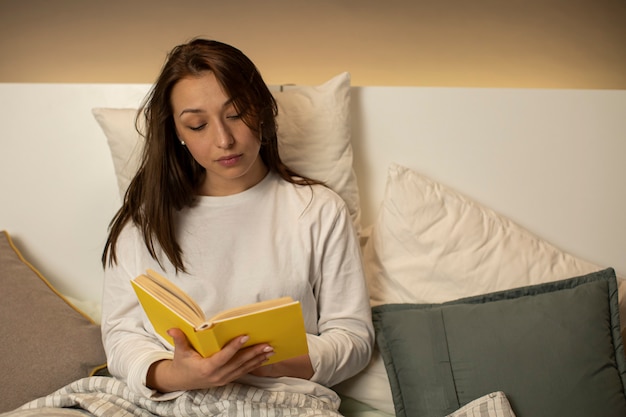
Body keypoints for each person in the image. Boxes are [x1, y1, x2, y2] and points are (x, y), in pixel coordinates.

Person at [100, 38, 374, 414]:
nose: (224, 140)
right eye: (197, 125)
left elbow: (354, 339)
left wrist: (265, 360)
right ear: (177, 133)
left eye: (236, 114)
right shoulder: (144, 222)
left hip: (282, 403)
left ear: (261, 111)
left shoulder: (318, 210)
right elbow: (121, 337)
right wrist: (179, 375)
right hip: (168, 404)